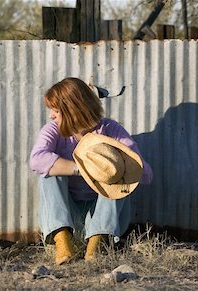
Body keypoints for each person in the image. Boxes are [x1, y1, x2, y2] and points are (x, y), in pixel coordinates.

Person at [29, 77, 153, 265]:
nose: (51, 116)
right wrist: (83, 169)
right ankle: (62, 241)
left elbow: (146, 174)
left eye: (55, 110)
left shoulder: (110, 129)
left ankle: (98, 243)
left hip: (104, 220)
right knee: (48, 174)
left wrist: (114, 166)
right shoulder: (54, 129)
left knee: (119, 174)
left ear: (72, 109)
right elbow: (36, 160)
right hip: (69, 219)